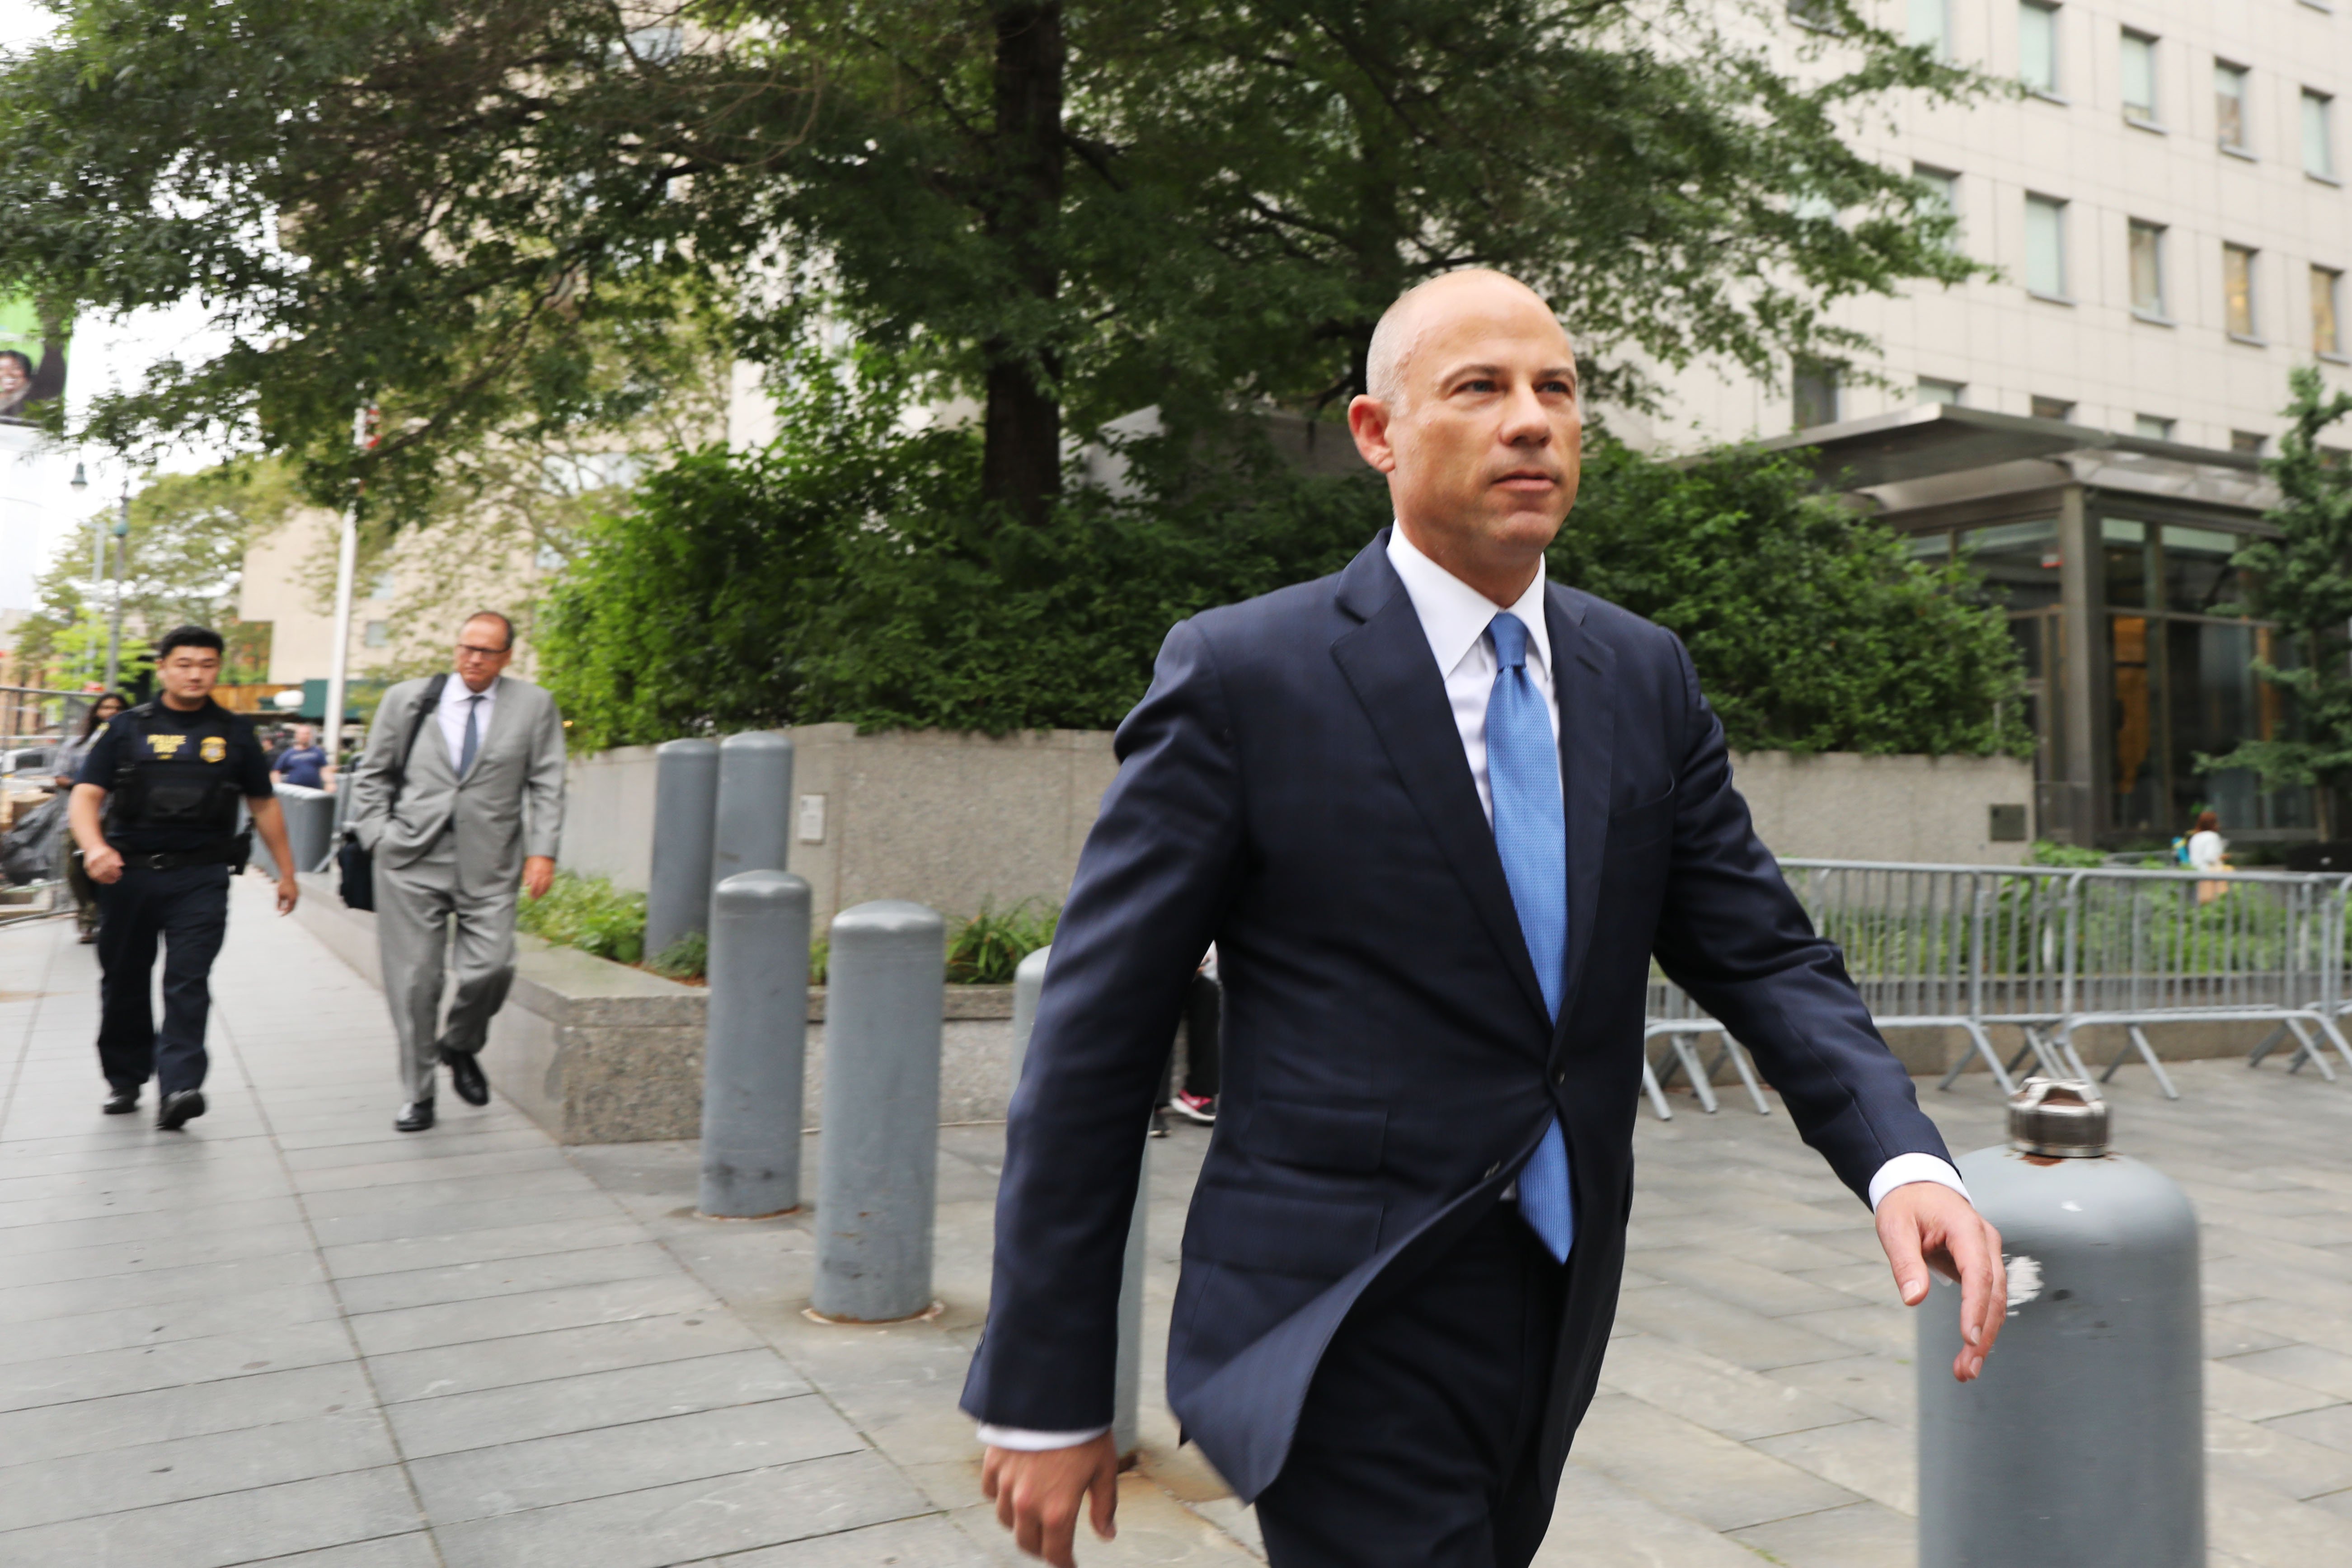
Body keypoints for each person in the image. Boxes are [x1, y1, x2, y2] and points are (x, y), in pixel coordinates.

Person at [963, 271, 2006, 1568]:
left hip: (1558, 1294)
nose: (1531, 421)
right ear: (1374, 432)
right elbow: (1093, 1037)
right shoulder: (1246, 675)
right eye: (1479, 388)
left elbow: (1761, 950)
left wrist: (1902, 1158)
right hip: (1339, 1310)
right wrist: (1046, 1380)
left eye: (1555, 389)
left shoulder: (1641, 673)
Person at [67, 627, 301, 1128]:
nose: (196, 673)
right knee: (126, 980)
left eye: (208, 664)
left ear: (218, 668)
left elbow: (263, 802)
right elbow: (86, 795)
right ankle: (125, 1079)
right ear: (164, 667)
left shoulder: (236, 732)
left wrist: (288, 871)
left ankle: (181, 1085)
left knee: (187, 980)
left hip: (201, 877)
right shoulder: (127, 729)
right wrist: (95, 847)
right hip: (128, 875)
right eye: (186, 663)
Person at [345, 611, 565, 1132]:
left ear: (507, 656)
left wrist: (544, 851)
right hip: (410, 859)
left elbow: (549, 783)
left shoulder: (534, 705)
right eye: (467, 647)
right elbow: (372, 773)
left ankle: (461, 1042)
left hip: (491, 860)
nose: (474, 658)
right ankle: (418, 1094)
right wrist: (379, 836)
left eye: (487, 652)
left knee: (493, 966)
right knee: (415, 981)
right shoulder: (408, 698)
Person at [53, 692, 126, 943]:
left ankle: (107, 919)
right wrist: (86, 789)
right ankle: (88, 917)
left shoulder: (131, 745)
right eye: (106, 707)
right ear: (96, 711)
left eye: (117, 708)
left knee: (115, 871)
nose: (111, 712)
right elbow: (60, 776)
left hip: (117, 817)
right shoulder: (76, 745)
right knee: (76, 870)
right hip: (82, 818)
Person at [271, 723, 333, 791]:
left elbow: (325, 770)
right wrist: (279, 788)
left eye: (307, 734)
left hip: (314, 792)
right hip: (295, 793)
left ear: (311, 736)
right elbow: (275, 772)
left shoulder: (318, 752)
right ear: (297, 736)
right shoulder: (289, 754)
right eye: (302, 734)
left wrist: (330, 783)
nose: (304, 736)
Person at [2187, 808, 2229, 904]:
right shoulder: (2212, 836)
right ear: (2213, 823)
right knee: (2213, 904)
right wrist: (2223, 857)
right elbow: (2210, 858)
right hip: (2209, 876)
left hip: (2195, 873)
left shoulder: (2195, 837)